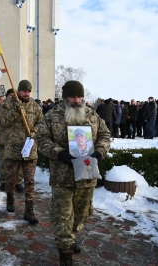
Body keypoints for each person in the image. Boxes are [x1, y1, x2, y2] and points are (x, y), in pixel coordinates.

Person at [36, 80, 111, 265]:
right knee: (62, 216)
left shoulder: (92, 115)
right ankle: (65, 252)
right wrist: (59, 153)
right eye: (72, 96)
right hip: (63, 176)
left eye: (79, 96)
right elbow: (42, 139)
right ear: (65, 97)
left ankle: (71, 235)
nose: (76, 100)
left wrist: (100, 151)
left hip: (86, 174)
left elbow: (105, 135)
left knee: (82, 213)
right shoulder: (53, 116)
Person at [0, 80, 43, 225]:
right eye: (24, 91)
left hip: (29, 149)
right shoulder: (8, 104)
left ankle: (29, 211)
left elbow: (40, 122)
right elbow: (3, 122)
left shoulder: (35, 106)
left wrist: (34, 132)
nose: (27, 94)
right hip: (13, 149)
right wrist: (15, 111)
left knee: (29, 181)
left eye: (29, 91)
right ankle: (10, 200)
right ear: (18, 91)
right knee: (11, 178)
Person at [0, 89, 24, 192]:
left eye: (14, 95)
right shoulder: (1, 105)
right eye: (10, 95)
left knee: (18, 161)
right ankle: (4, 181)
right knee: (4, 161)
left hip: (17, 139)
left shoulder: (19, 106)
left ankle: (17, 182)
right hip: (3, 138)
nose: (12, 97)